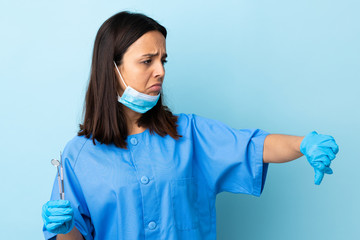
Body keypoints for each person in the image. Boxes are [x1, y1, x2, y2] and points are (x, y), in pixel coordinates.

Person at [41, 11, 339, 240]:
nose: (160, 71)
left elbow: (254, 146)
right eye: (147, 61)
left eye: (163, 60)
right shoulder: (78, 156)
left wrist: (303, 144)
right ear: (112, 68)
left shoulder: (189, 134)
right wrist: (65, 228)